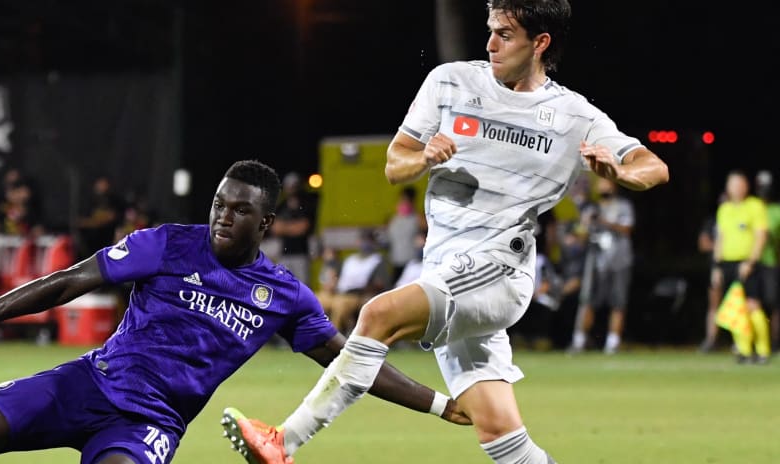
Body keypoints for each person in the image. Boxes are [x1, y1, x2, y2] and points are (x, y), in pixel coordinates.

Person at [223, 2, 669, 463]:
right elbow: (397, 165)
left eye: (506, 35)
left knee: (378, 314)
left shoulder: (574, 115)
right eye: (490, 30)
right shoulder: (450, 81)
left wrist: (624, 172)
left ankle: (284, 442)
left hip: (497, 269)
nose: (491, 44)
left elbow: (652, 165)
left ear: (541, 43)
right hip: (445, 268)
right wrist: (425, 159)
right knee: (503, 438)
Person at [0, 160, 468, 463]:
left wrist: (441, 405)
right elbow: (68, 281)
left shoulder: (284, 296)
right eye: (220, 204)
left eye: (240, 210)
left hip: (147, 426)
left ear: (266, 221)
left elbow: (351, 362)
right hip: (85, 383)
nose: (224, 217)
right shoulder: (166, 245)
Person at [568, 178, 636, 355]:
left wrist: (604, 221)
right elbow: (581, 236)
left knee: (618, 302)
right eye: (600, 185)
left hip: (619, 261)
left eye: (605, 184)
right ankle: (579, 340)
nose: (602, 187)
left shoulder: (623, 206)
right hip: (597, 263)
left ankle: (612, 343)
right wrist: (582, 227)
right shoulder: (591, 208)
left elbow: (627, 229)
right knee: (588, 301)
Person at [713, 170, 771, 363]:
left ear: (746, 186)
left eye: (739, 184)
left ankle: (763, 350)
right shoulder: (724, 209)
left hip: (748, 264)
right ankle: (744, 350)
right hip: (728, 264)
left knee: (753, 305)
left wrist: (750, 262)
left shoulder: (754, 206)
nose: (736, 188)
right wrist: (717, 266)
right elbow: (720, 239)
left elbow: (760, 237)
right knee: (736, 308)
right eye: (732, 184)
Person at [322, 229, 391, 335]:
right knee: (317, 300)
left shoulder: (377, 260)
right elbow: (338, 277)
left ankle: (332, 336)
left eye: (368, 240)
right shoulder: (350, 259)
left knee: (340, 304)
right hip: (339, 292)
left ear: (374, 243)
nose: (364, 243)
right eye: (363, 240)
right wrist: (333, 283)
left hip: (357, 294)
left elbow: (380, 283)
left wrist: (359, 289)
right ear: (358, 242)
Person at [269, 172, 314, 286]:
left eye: (294, 186)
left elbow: (303, 227)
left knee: (302, 287)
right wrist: (293, 227)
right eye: (289, 186)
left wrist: (284, 227)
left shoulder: (306, 204)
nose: (291, 189)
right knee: (283, 287)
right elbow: (274, 228)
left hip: (301, 254)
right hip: (284, 254)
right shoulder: (282, 205)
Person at [754, 170, 780, 352]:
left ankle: (775, 341)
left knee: (772, 303)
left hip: (771, 263)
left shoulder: (776, 210)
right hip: (752, 263)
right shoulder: (752, 207)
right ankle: (755, 343)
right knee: (754, 304)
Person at [697, 192, 726, 353]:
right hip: (716, 266)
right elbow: (703, 243)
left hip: (734, 265)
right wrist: (722, 247)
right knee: (714, 305)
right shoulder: (713, 221)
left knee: (737, 304)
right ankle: (711, 339)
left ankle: (740, 342)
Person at [386, 186, 426, 283]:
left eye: (407, 200)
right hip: (396, 261)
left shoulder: (419, 218)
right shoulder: (394, 219)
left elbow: (425, 238)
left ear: (413, 201)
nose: (404, 202)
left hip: (412, 263)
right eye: (402, 199)